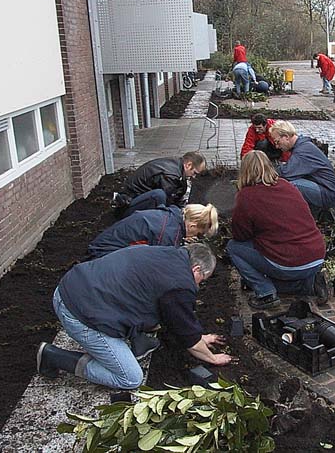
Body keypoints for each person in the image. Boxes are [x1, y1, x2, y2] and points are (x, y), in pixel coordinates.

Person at [36, 243, 233, 389]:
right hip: (79, 313)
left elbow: (176, 319)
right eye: (202, 280)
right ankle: (53, 357)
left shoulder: (166, 254)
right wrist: (212, 358)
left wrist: (201, 337)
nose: (198, 286)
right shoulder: (180, 284)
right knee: (130, 378)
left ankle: (130, 343)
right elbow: (186, 334)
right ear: (196, 269)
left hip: (71, 286)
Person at [227, 151, 328, 310]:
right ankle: (310, 283)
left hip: (288, 260)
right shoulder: (287, 185)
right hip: (316, 255)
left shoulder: (246, 196)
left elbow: (240, 235)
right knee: (286, 260)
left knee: (233, 248)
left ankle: (266, 293)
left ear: (244, 171)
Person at [88, 203, 219, 258]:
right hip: (102, 255)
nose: (197, 236)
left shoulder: (171, 216)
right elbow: (158, 266)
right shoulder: (167, 235)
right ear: (192, 226)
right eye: (199, 234)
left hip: (104, 245)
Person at [269, 120, 335, 210]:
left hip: (328, 194)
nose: (277, 146)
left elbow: (285, 173)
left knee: (290, 186)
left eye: (277, 142)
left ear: (286, 137)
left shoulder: (303, 151)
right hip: (323, 187)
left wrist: (264, 173)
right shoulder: (303, 146)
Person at [116, 152, 206, 215]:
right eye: (194, 172)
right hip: (130, 204)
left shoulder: (175, 164)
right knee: (160, 197)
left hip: (134, 197)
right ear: (188, 165)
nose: (194, 176)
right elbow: (167, 201)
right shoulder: (170, 175)